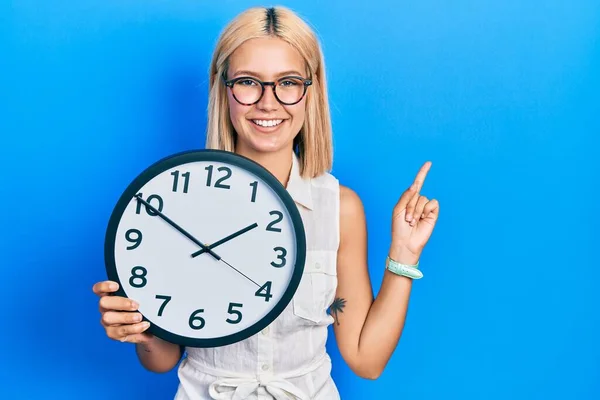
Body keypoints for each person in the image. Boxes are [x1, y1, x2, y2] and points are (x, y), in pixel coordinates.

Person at [92, 5, 439, 400]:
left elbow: (365, 360)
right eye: (248, 82)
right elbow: (161, 360)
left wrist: (404, 255)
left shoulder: (339, 208)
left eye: (288, 82)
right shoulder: (173, 202)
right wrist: (139, 328)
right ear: (224, 89)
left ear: (311, 91)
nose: (268, 103)